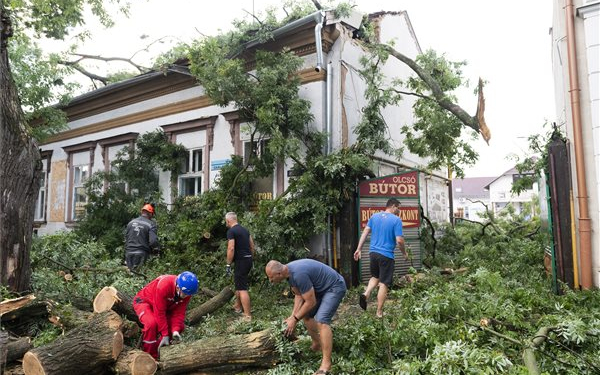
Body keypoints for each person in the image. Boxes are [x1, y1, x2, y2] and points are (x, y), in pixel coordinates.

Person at [265, 259, 346, 375]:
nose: (270, 280)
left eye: (271, 277)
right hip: (321, 290)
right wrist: (292, 317)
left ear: (279, 274)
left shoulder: (298, 274)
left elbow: (310, 301)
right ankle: (317, 344)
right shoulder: (289, 273)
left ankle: (326, 365)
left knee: (322, 321)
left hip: (334, 287)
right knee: (306, 314)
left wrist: (295, 319)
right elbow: (299, 295)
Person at [353, 198, 407, 318]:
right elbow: (399, 240)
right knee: (384, 284)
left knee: (375, 277)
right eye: (398, 208)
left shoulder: (374, 217)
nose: (399, 211)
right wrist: (404, 253)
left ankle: (366, 293)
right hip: (386, 255)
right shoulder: (396, 220)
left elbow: (365, 232)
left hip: (373, 254)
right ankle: (379, 312)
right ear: (393, 206)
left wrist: (359, 249)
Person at [132, 271, 199, 359]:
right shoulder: (164, 286)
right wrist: (165, 334)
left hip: (165, 306)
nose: (187, 296)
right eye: (185, 294)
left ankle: (161, 350)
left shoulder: (186, 292)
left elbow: (179, 313)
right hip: (144, 301)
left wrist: (175, 330)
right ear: (178, 287)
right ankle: (149, 355)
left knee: (180, 327)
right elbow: (159, 312)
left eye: (189, 295)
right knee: (151, 324)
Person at [225, 211, 255, 320]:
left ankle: (247, 315)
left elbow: (231, 248)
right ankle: (238, 306)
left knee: (242, 288)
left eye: (226, 221)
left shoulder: (231, 231)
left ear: (228, 221)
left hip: (240, 261)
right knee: (239, 283)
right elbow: (252, 245)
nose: (226, 223)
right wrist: (251, 258)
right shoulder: (245, 230)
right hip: (248, 260)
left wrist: (228, 264)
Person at [125, 203, 159, 271]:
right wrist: (156, 250)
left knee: (130, 276)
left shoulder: (130, 223)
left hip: (129, 253)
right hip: (141, 253)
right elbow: (153, 241)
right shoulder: (151, 224)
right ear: (150, 214)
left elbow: (126, 238)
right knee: (139, 275)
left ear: (142, 212)